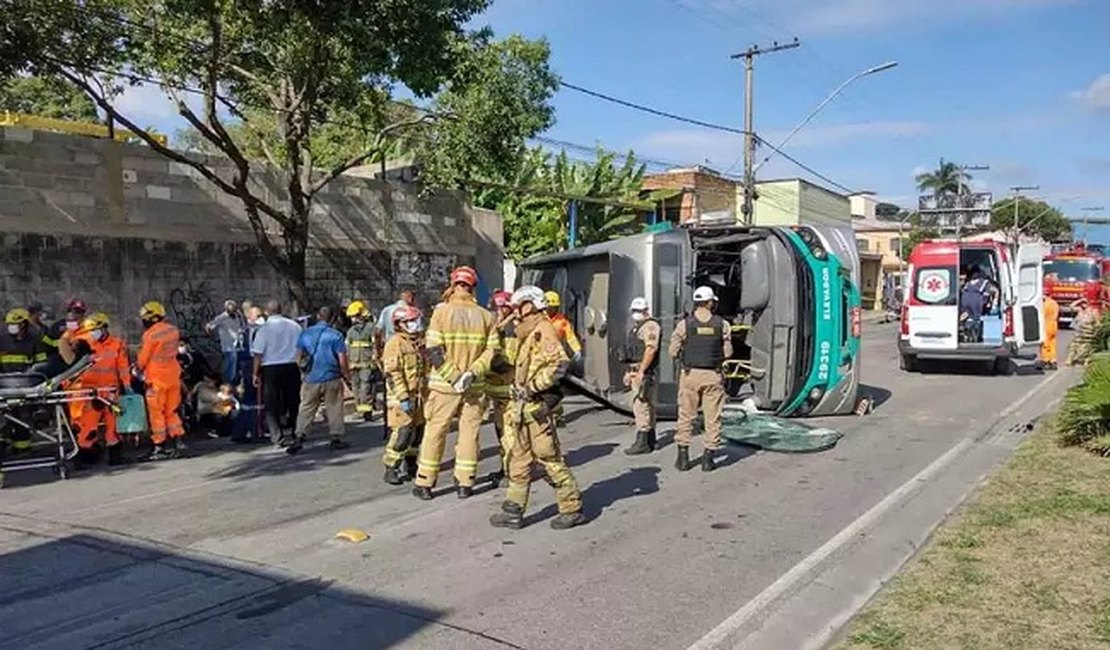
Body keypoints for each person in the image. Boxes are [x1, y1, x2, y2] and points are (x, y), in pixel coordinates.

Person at [489, 286, 584, 530]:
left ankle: (571, 507)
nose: (515, 313)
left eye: (518, 307)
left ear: (529, 306)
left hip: (536, 408)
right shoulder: (528, 333)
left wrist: (533, 388)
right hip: (522, 410)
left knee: (548, 458)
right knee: (518, 461)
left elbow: (559, 365)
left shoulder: (543, 330)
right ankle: (513, 510)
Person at [412, 266, 499, 501]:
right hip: (475, 385)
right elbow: (492, 351)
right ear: (472, 287)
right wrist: (471, 373)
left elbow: (434, 349)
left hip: (444, 386)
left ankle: (425, 482)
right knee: (470, 433)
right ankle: (465, 483)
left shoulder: (441, 314)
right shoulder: (486, 316)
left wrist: (453, 377)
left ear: (453, 284)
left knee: (435, 432)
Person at [668, 286, 732, 472]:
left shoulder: (684, 324)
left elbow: (672, 351)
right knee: (713, 418)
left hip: (690, 375)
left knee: (686, 416)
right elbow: (727, 352)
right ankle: (708, 459)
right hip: (713, 376)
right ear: (711, 302)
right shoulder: (722, 325)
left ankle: (683, 458)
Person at [64, 312, 131, 466]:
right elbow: (72, 364)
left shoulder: (117, 344)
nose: (93, 333)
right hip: (90, 391)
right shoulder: (84, 343)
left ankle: (115, 457)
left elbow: (123, 367)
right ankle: (84, 457)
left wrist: (127, 385)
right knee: (88, 426)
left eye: (96, 329)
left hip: (110, 391)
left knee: (112, 426)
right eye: (90, 330)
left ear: (104, 328)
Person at [287, 305, 350, 454]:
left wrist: (303, 373)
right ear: (332, 318)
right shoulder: (336, 335)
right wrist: (346, 375)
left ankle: (300, 435)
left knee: (306, 407)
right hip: (331, 376)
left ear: (318, 316)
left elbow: (298, 357)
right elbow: (342, 359)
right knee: (334, 407)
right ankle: (335, 438)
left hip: (311, 378)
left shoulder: (305, 334)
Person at [381, 305, 427, 485]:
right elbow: (393, 373)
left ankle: (411, 464)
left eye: (416, 320)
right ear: (400, 324)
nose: (415, 324)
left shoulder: (416, 342)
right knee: (402, 433)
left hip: (418, 396)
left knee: (417, 434)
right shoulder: (395, 343)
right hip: (402, 398)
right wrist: (403, 397)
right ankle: (391, 467)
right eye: (411, 321)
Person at [137, 301, 185, 460]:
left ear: (153, 317)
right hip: (173, 376)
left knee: (157, 413)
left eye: (145, 318)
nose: (143, 321)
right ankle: (178, 441)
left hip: (156, 379)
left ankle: (159, 446)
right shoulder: (173, 330)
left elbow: (144, 357)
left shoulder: (150, 334)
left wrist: (136, 369)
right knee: (172, 411)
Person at [250, 300, 303, 446]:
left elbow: (258, 354)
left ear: (267, 312)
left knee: (271, 403)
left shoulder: (264, 329)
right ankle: (297, 431)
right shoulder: (294, 326)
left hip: (271, 368)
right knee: (293, 401)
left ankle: (277, 436)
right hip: (291, 366)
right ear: (281, 309)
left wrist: (255, 374)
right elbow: (301, 347)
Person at [1, 308, 51, 453]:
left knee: (23, 417)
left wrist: (35, 379)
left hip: (26, 386)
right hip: (4, 385)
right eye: (9, 323)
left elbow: (42, 365)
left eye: (14, 323)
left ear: (23, 324)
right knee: (5, 417)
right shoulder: (2, 339)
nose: (11, 326)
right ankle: (4, 441)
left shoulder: (34, 340)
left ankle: (22, 447)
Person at [485, 290, 518, 485]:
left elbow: (505, 361)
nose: (494, 313)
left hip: (509, 391)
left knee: (509, 433)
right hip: (498, 392)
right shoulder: (499, 328)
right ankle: (505, 467)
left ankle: (512, 472)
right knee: (501, 432)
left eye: (497, 309)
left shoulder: (512, 329)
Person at [622, 296, 661, 455]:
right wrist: (628, 372)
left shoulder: (650, 326)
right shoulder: (637, 327)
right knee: (646, 405)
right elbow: (633, 353)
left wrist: (641, 372)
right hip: (637, 370)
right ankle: (650, 440)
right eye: (634, 311)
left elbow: (650, 349)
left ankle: (643, 441)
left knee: (641, 406)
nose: (636, 314)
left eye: (639, 311)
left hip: (644, 372)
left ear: (646, 311)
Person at [345, 300, 379, 421]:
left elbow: (375, 345)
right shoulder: (351, 331)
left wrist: (375, 359)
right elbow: (347, 347)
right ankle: (360, 408)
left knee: (366, 387)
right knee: (355, 387)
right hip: (354, 363)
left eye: (354, 316)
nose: (352, 319)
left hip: (367, 363)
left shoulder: (370, 328)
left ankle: (366, 412)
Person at [206, 300, 246, 384]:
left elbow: (243, 326)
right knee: (231, 362)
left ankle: (235, 380)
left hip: (238, 344)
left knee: (237, 364)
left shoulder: (238, 316)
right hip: (228, 345)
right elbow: (210, 326)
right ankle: (228, 381)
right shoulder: (222, 317)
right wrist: (213, 336)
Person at [42, 298, 88, 364]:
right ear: (69, 311)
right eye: (76, 311)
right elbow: (47, 344)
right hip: (58, 360)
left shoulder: (88, 327)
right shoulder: (58, 326)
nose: (78, 315)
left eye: (81, 312)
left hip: (80, 362)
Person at [1039, 292, 1060, 371]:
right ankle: (1053, 360)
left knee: (1045, 344)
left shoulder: (1045, 304)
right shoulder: (1055, 303)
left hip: (1046, 325)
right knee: (1052, 343)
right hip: (1054, 324)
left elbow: (1042, 315)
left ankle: (1046, 360)